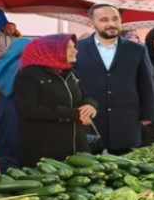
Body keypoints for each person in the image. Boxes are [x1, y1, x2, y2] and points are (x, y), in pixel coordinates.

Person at [74, 4, 154, 155]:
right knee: (88, 168)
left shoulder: (137, 49)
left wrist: (148, 114)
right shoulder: (77, 49)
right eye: (104, 20)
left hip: (126, 120)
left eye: (115, 19)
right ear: (91, 23)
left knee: (125, 168)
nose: (111, 24)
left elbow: (146, 84)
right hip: (90, 119)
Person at [14, 34, 97, 166]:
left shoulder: (72, 73)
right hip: (46, 148)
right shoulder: (29, 75)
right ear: (52, 50)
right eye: (69, 47)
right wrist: (73, 114)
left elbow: (85, 95)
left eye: (74, 47)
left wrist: (90, 105)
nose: (75, 51)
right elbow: (27, 109)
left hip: (77, 144)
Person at [0, 35, 33, 172]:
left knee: (5, 148)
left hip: (1, 108)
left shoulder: (0, 64)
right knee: (17, 146)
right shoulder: (26, 67)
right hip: (17, 110)